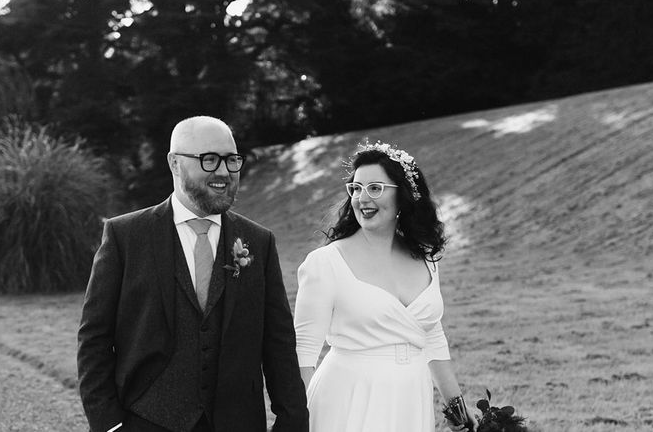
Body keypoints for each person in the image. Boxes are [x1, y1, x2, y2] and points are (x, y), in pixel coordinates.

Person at [78, 115, 309, 432]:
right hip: (146, 420)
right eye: (209, 159)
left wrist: (292, 420)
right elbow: (94, 340)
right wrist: (108, 424)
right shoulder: (125, 236)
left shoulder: (259, 241)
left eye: (231, 160)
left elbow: (278, 341)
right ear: (174, 163)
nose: (224, 172)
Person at [294, 141, 476, 432]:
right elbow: (303, 351)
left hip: (410, 398)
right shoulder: (325, 263)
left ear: (403, 196)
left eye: (375, 188)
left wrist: (457, 407)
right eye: (355, 188)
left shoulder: (426, 259)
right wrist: (296, 419)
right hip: (347, 398)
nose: (362, 198)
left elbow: (431, 334)